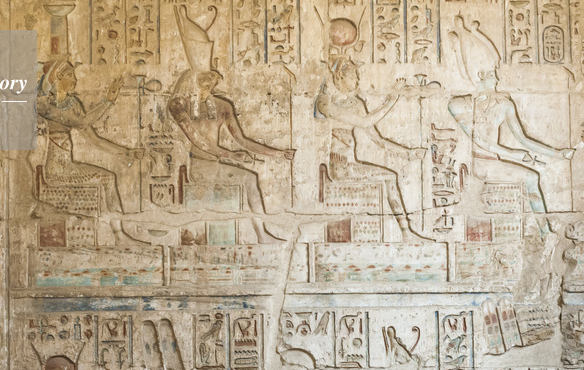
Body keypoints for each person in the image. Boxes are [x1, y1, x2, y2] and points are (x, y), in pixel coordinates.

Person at [447, 17, 574, 215]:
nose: (497, 79)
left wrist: (558, 153)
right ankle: (546, 230)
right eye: (492, 74)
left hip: (494, 162)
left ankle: (545, 229)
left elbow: (524, 140)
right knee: (532, 178)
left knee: (532, 176)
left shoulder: (504, 105)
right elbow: (479, 139)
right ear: (480, 75)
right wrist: (512, 154)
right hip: (481, 165)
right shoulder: (458, 105)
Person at [168, 69, 294, 242]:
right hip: (201, 167)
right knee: (249, 179)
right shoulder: (180, 105)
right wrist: (230, 155)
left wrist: (278, 153)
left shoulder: (222, 106)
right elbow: (197, 140)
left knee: (250, 178)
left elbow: (242, 141)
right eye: (204, 80)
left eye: (211, 82)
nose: (207, 85)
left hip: (214, 165)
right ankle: (261, 235)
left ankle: (261, 234)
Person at [314, 57, 428, 242]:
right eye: (353, 76)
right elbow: (364, 122)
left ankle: (406, 233)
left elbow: (378, 140)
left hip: (351, 165)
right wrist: (389, 101)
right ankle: (406, 233)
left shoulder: (356, 104)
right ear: (340, 77)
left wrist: (408, 153)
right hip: (340, 168)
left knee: (390, 176)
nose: (358, 80)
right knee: (390, 177)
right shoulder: (325, 102)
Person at [36, 60, 141, 216]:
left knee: (109, 177)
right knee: (107, 178)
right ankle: (115, 221)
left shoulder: (73, 104)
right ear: (59, 75)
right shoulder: (44, 104)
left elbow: (94, 139)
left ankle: (115, 220)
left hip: (69, 166)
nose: (75, 79)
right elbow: (82, 122)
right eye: (70, 75)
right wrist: (108, 101)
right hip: (56, 169)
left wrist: (126, 152)